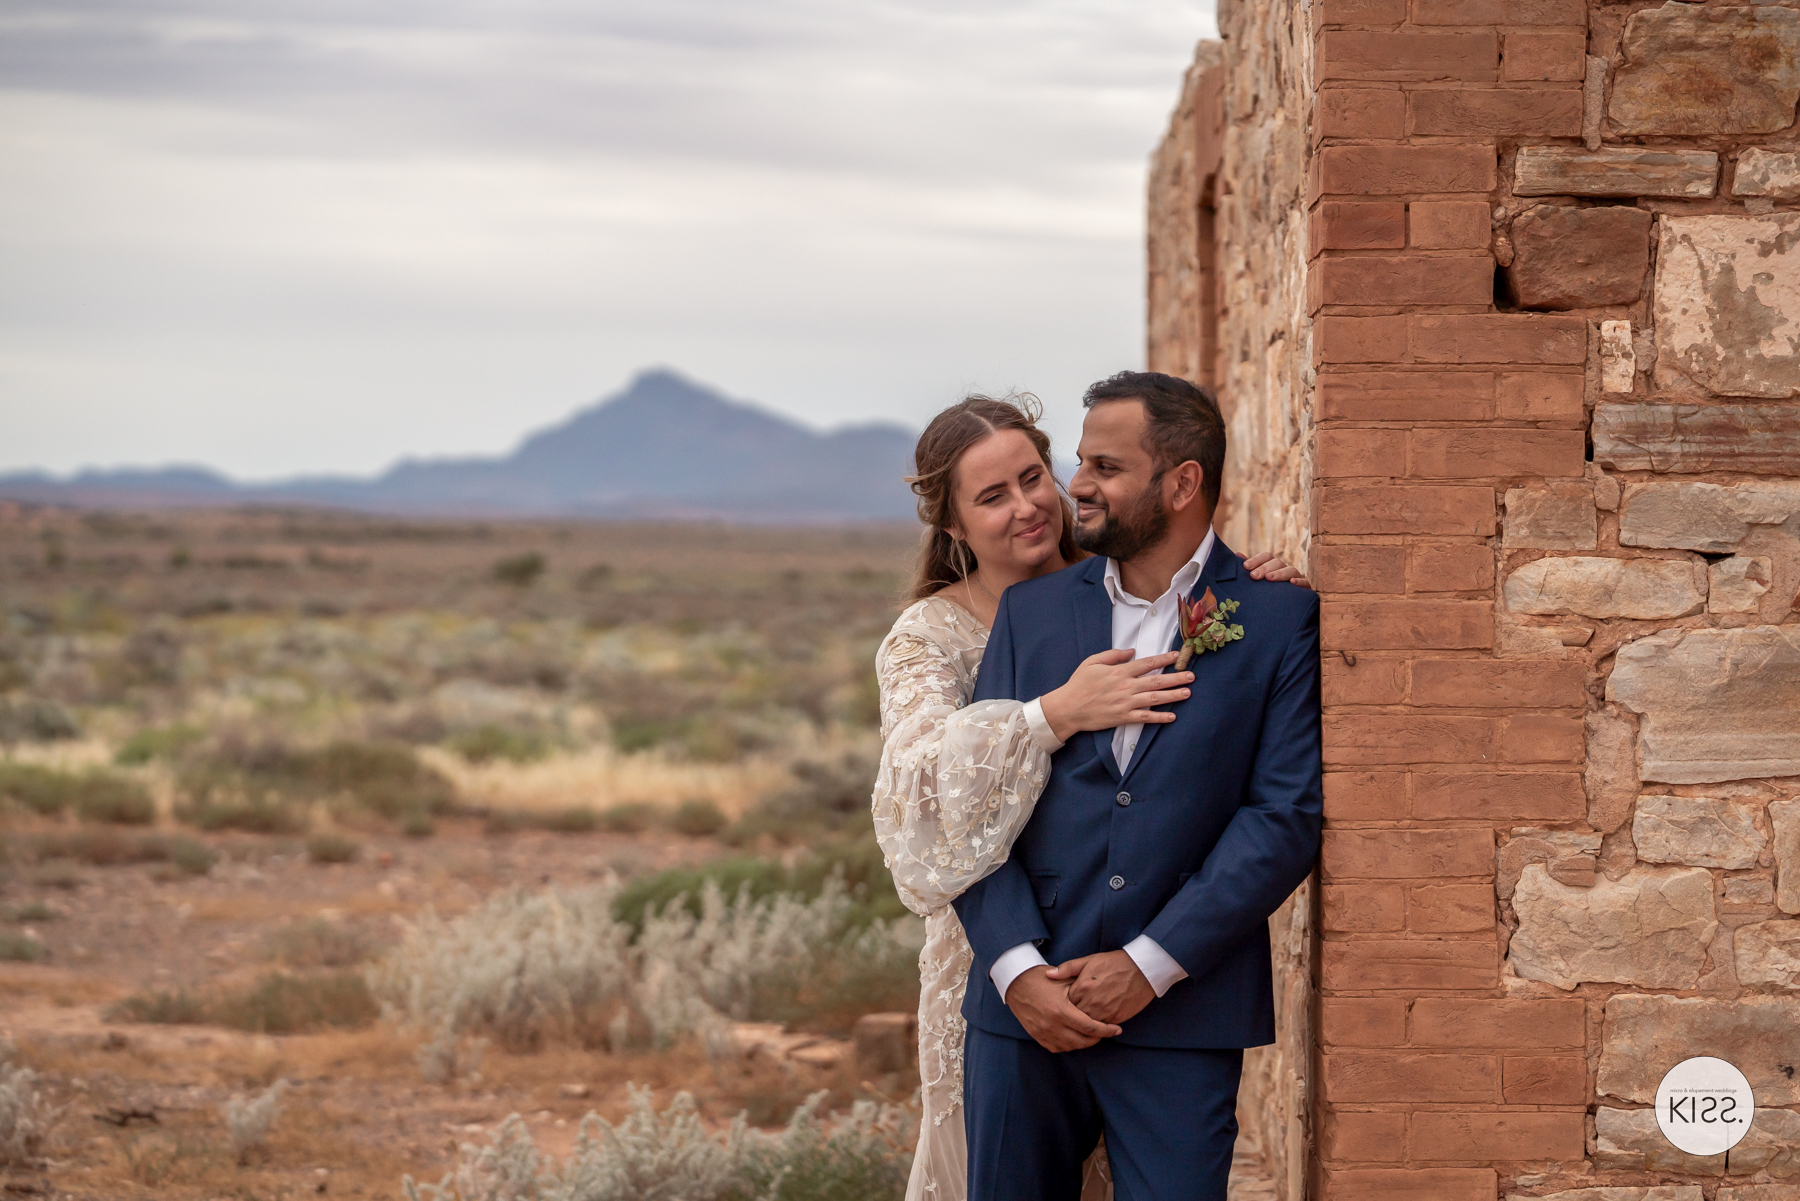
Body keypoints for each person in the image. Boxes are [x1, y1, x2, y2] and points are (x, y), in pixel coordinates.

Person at [869, 392, 1309, 1201]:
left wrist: (1261, 582)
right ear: (955, 527)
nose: (1033, 504)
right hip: (997, 956)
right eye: (992, 497)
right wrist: (1053, 714)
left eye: (1034, 476)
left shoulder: (1213, 598)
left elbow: (1272, 804)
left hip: (1169, 987)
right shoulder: (938, 635)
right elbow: (932, 790)